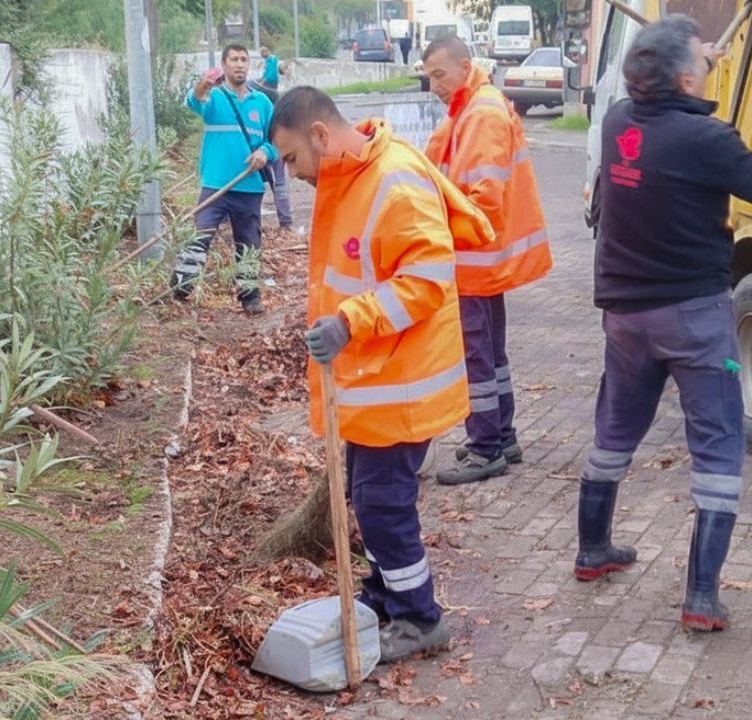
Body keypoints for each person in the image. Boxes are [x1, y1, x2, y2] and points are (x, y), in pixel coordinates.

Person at [576, 16, 752, 632]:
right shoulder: (708, 140)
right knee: (718, 442)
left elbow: (669, 92)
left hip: (625, 317)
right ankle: (701, 597)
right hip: (693, 317)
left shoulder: (619, 121)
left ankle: (592, 550)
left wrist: (695, 59)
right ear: (682, 79)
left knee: (614, 430)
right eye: (699, 60)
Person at [270, 86, 495, 662]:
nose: (291, 173)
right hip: (375, 378)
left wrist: (349, 322)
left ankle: (419, 617)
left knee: (382, 503)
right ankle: (385, 594)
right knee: (367, 497)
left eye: (292, 157)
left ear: (321, 134)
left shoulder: (393, 180)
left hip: (402, 383)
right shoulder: (351, 179)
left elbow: (427, 278)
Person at [420, 35, 553, 485]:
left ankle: (485, 447)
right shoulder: (477, 105)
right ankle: (502, 435)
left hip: (472, 260)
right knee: (491, 355)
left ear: (464, 67)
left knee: (476, 357)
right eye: (429, 77)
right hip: (482, 260)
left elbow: (482, 199)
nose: (434, 86)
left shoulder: (479, 113)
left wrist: (434, 232)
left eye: (439, 75)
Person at [172, 44, 277, 314]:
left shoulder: (262, 103)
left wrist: (264, 153)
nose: (239, 64)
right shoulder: (214, 98)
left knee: (249, 244)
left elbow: (276, 141)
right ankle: (180, 289)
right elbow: (194, 101)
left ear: (249, 65)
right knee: (200, 236)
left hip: (249, 187)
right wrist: (204, 83)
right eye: (234, 59)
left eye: (244, 59)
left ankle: (250, 297)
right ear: (224, 64)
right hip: (215, 184)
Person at [252, 46, 295, 231]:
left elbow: (268, 77)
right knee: (279, 184)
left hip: (267, 148)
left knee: (257, 184)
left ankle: (252, 220)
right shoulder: (277, 105)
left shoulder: (260, 105)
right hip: (275, 147)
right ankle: (285, 221)